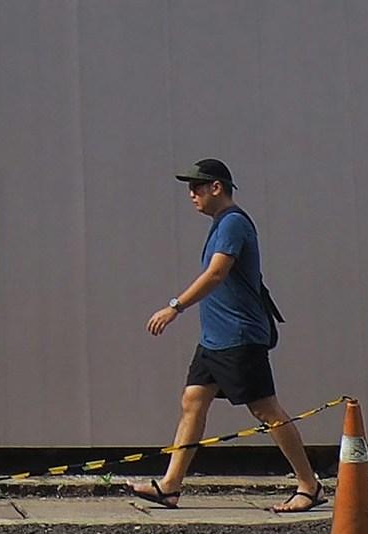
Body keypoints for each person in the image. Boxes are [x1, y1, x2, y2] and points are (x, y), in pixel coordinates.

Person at [130, 157, 319, 514]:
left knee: (266, 410)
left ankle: (309, 485)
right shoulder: (220, 223)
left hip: (239, 337)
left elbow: (217, 274)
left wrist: (174, 307)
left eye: (197, 187)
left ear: (217, 188)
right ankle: (169, 487)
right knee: (192, 401)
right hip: (214, 341)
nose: (191, 194)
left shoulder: (233, 223)